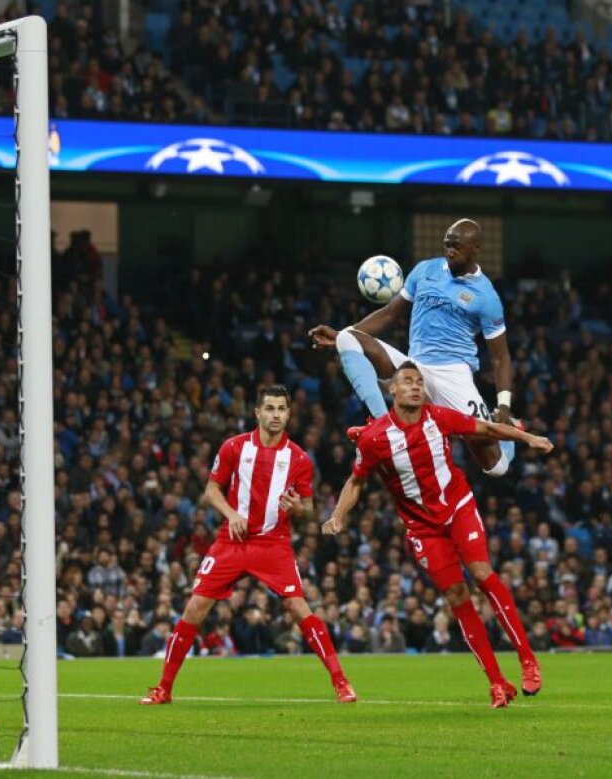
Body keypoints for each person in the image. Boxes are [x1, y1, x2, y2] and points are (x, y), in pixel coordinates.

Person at [323, 363, 554, 707]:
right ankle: (496, 682)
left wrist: (528, 437)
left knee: (481, 573)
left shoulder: (438, 418)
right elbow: (355, 481)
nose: (415, 387)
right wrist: (338, 515)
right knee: (457, 597)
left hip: (458, 506)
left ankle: (527, 658)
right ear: (393, 391)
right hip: (422, 527)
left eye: (419, 382)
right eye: (407, 382)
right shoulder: (375, 438)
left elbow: (486, 428)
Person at [140, 385, 356, 705]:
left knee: (298, 606)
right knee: (195, 607)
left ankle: (341, 683)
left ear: (288, 413)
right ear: (257, 413)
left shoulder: (298, 458)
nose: (276, 415)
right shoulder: (234, 448)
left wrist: (299, 509)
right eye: (269, 408)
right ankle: (163, 689)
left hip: (273, 543)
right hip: (232, 540)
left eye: (281, 409)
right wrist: (231, 514)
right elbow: (211, 489)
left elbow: (309, 510)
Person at [309, 219, 518, 477]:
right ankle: (385, 426)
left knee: (496, 468)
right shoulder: (425, 271)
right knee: (348, 337)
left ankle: (507, 439)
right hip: (413, 367)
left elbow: (500, 358)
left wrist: (504, 407)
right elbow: (389, 315)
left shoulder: (486, 297)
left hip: (452, 375)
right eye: (447, 245)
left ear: (475, 248)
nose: (450, 250)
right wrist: (341, 335)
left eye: (457, 246)